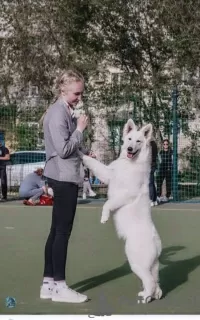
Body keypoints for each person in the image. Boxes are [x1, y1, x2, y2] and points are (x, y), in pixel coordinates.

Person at [41, 69, 95, 304]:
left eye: (81, 93)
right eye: (76, 93)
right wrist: (80, 130)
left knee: (56, 231)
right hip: (63, 178)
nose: (79, 97)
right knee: (62, 232)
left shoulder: (65, 111)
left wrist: (83, 152)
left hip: (65, 176)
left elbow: (68, 147)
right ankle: (60, 286)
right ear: (63, 90)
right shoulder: (57, 113)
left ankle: (48, 284)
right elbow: (63, 150)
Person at [156, 139, 173, 203]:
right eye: (164, 144)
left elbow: (173, 160)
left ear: (168, 145)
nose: (165, 145)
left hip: (168, 169)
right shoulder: (161, 152)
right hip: (161, 169)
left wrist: (170, 167)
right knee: (159, 182)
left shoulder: (171, 152)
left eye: (167, 144)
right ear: (163, 145)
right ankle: (158, 196)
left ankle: (167, 197)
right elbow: (159, 161)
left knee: (168, 183)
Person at [149, 138, 158, 207]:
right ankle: (154, 200)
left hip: (150, 165)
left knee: (150, 183)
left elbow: (150, 157)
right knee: (152, 183)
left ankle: (151, 200)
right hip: (153, 165)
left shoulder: (149, 146)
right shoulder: (154, 145)